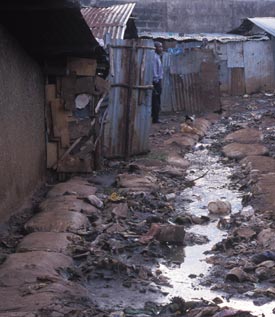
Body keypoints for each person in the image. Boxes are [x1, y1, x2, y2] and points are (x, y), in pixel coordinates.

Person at [152, 41, 163, 123]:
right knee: (155, 101)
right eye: (160, 47)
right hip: (155, 82)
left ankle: (156, 117)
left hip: (158, 81)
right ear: (155, 48)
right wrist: (156, 81)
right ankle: (155, 119)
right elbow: (154, 71)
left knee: (157, 100)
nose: (161, 48)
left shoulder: (157, 57)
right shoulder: (154, 57)